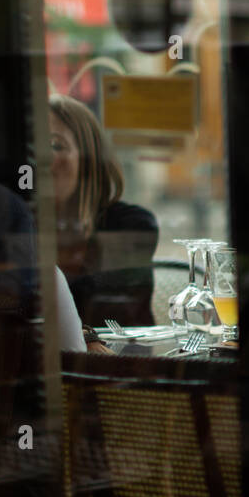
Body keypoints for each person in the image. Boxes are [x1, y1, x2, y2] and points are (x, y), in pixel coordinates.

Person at [48, 94, 159, 327]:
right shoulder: (19, 227)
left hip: (119, 360)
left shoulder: (131, 225)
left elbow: (103, 310)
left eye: (55, 145)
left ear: (89, 160)